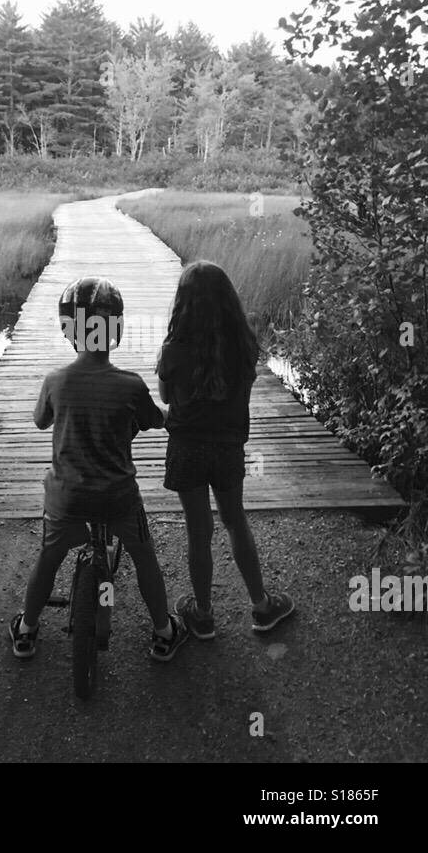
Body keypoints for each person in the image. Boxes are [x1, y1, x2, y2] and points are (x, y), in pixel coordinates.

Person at [9, 276, 187, 662]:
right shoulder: (131, 385)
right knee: (144, 557)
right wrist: (171, 416)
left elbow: (41, 421)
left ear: (69, 331)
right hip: (118, 499)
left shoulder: (56, 382)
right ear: (116, 331)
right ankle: (163, 631)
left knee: (48, 557)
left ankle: (26, 630)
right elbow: (155, 419)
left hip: (66, 499)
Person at [156, 260, 295, 638]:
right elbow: (240, 396)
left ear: (183, 303)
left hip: (186, 448)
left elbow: (167, 398)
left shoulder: (173, 349)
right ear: (228, 299)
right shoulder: (245, 346)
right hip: (228, 447)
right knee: (235, 521)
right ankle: (262, 607)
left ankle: (202, 615)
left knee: (198, 531)